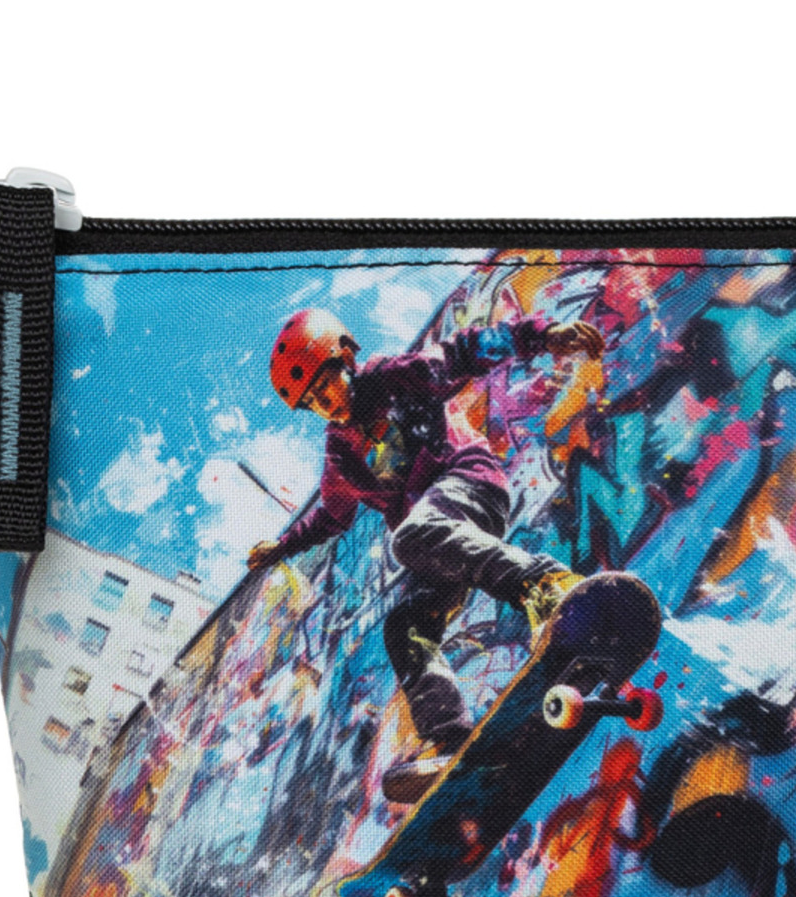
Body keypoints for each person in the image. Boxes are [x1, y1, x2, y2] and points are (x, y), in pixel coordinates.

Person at [249, 305, 602, 802]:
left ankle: (545, 586)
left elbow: (463, 352)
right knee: (405, 627)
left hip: (470, 485)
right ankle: (451, 739)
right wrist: (282, 547)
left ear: (346, 360)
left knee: (412, 533)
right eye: (313, 403)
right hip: (435, 542)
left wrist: (542, 335)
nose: (327, 405)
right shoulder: (340, 454)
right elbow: (331, 516)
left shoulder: (392, 378)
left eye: (326, 388)